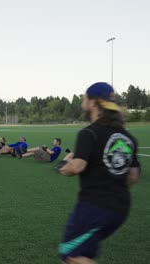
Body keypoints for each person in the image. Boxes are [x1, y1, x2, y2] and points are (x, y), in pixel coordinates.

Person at [57, 82, 141, 264]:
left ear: (93, 103)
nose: (82, 103)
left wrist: (64, 166)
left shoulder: (89, 133)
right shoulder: (128, 137)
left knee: (70, 255)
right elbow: (133, 176)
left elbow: (77, 167)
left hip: (93, 207)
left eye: (84, 99)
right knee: (84, 254)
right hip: (121, 208)